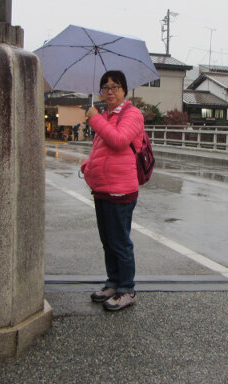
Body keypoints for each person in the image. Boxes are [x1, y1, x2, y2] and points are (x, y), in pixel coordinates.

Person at [80, 70, 144, 311]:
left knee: (120, 242)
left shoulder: (132, 114)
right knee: (108, 241)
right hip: (102, 189)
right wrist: (88, 168)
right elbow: (101, 150)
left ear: (124, 91)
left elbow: (118, 140)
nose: (109, 92)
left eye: (115, 87)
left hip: (121, 190)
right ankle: (113, 282)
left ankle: (127, 289)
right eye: (105, 87)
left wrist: (95, 119)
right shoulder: (106, 115)